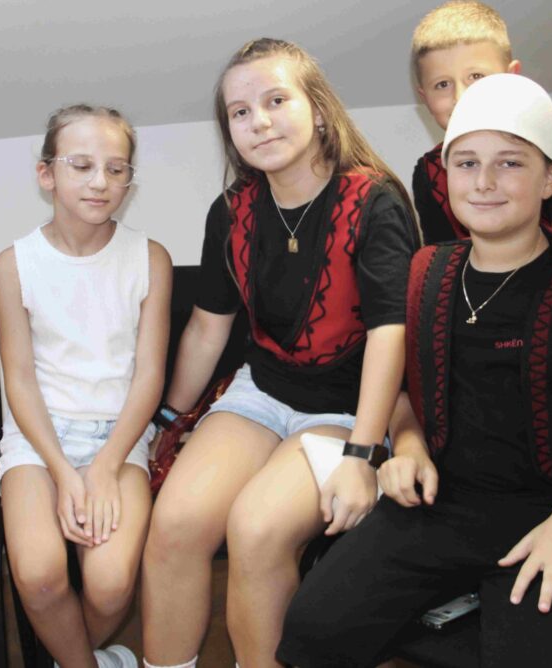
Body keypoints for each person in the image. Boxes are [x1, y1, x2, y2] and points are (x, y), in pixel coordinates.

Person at [277, 74, 552, 667]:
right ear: (446, 176)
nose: (483, 182)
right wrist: (409, 449)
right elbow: (405, 395)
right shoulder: (427, 272)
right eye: (467, 163)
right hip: (446, 502)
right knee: (313, 628)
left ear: (550, 179)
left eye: (509, 163)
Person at [141, 38, 420, 668]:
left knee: (256, 528)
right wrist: (167, 421)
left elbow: (392, 336)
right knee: (175, 523)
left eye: (275, 101)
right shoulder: (231, 211)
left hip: (350, 411)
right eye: (240, 112)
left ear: (318, 109)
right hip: (260, 393)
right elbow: (207, 329)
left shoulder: (375, 201)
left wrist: (361, 454)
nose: (258, 122)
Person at [0, 104, 172, 668]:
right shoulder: (13, 265)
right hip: (37, 439)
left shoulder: (150, 258)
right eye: (82, 165)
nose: (100, 182)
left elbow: (149, 374)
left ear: (129, 181)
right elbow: (19, 379)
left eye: (116, 169)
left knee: (111, 584)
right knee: (40, 577)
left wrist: (104, 466)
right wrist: (64, 472)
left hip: (119, 437)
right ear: (46, 174)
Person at [410, 0, 552, 244]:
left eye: (476, 76)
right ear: (424, 98)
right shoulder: (428, 172)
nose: (461, 96)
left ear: (512, 77)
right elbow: (440, 258)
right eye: (442, 84)